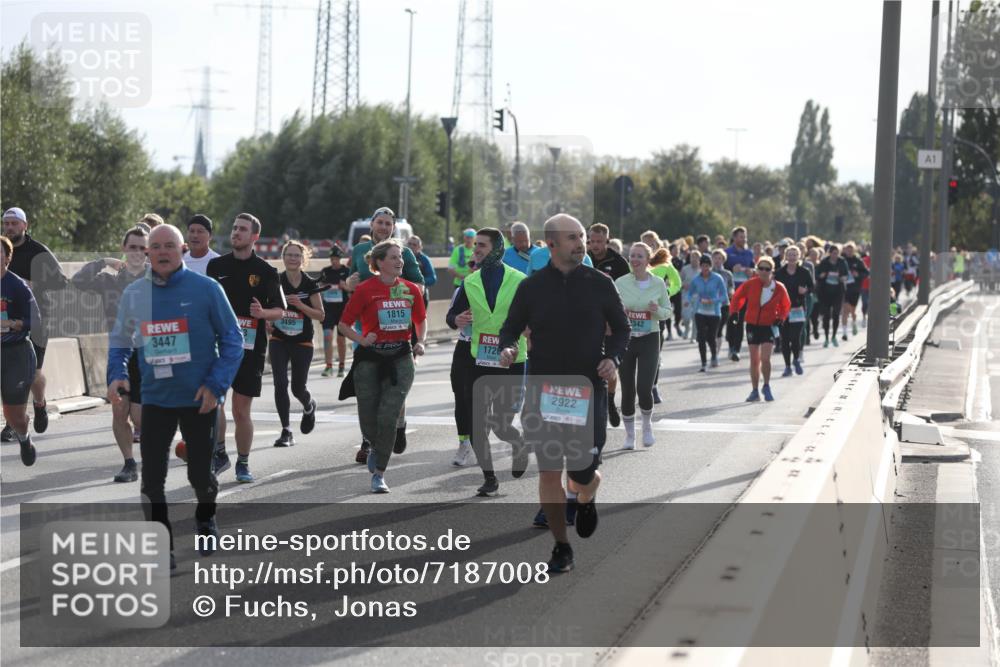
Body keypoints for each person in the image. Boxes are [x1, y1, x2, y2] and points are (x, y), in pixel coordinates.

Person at [498, 214, 629, 573]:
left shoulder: (600, 283)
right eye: (572, 237)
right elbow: (509, 329)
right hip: (544, 389)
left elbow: (621, 329)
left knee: (583, 473)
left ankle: (585, 498)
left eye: (582, 236)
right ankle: (561, 547)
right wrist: (508, 348)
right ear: (552, 244)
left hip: (588, 388)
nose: (581, 243)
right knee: (549, 471)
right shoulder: (532, 287)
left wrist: (612, 358)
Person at [107, 224, 243, 569]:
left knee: (200, 476)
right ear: (147, 253)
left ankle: (205, 519)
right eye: (157, 247)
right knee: (152, 479)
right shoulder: (135, 294)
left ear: (182, 250)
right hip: (154, 399)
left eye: (170, 245)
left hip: (200, 399)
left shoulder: (207, 289)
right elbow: (120, 342)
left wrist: (215, 386)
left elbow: (232, 340)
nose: (163, 252)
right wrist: (117, 375)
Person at [338, 240, 427, 493]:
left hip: (400, 357)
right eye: (393, 257)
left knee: (389, 414)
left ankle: (379, 473)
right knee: (368, 417)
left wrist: (420, 341)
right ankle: (374, 446)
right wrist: (362, 339)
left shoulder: (411, 289)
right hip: (370, 359)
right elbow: (343, 325)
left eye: (400, 257)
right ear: (379, 262)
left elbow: (421, 320)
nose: (399, 261)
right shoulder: (365, 290)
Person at [446, 228, 529, 495]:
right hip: (480, 360)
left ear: (496, 247)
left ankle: (517, 444)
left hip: (513, 359)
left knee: (501, 424)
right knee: (478, 422)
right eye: (475, 246)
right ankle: (489, 478)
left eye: (482, 245)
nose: (476, 250)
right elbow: (451, 316)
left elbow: (535, 316)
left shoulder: (520, 280)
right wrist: (456, 320)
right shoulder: (470, 282)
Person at [207, 213, 285, 483]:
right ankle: (219, 454)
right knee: (214, 403)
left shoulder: (266, 271)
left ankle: (243, 462)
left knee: (241, 410)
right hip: (217, 347)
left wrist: (263, 313)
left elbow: (280, 310)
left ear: (254, 237)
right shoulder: (216, 266)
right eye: (234, 228)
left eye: (242, 229)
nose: (236, 233)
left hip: (249, 347)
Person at [346, 207, 425, 462]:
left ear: (394, 227)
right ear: (372, 224)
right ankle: (368, 442)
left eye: (388, 224)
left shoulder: (404, 254)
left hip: (397, 324)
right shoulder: (359, 251)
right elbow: (350, 282)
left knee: (393, 385)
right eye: (380, 222)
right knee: (368, 387)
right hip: (365, 328)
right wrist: (350, 284)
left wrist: (401, 298)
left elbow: (419, 285)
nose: (383, 227)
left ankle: (398, 424)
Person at [71, 225, 149, 482]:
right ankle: (129, 463)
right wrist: (102, 261)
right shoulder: (109, 281)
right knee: (119, 411)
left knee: (139, 417)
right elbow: (77, 282)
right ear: (124, 249)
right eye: (132, 247)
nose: (137, 252)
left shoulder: (156, 279)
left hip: (149, 354)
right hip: (119, 352)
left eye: (141, 248)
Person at [2, 206, 68, 439]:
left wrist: (31, 284)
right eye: (6, 223)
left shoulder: (38, 251)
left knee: (31, 374)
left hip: (37, 319)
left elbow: (61, 283)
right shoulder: (2, 250)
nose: (9, 227)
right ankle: (12, 423)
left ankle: (39, 403)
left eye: (14, 223)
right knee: (9, 374)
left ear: (25, 225)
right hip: (6, 324)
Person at [614, 242, 671, 449]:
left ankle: (647, 426)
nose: (635, 260)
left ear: (647, 261)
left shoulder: (658, 283)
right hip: (627, 339)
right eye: (632, 256)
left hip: (649, 337)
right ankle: (629, 436)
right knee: (627, 389)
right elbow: (612, 309)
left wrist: (656, 310)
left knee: (644, 388)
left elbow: (667, 312)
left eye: (639, 256)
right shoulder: (620, 282)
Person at [269, 240, 323, 448]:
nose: (292, 258)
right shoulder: (276, 281)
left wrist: (300, 304)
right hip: (279, 339)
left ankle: (309, 405)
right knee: (280, 383)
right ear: (283, 258)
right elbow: (267, 308)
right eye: (289, 255)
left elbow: (320, 314)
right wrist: (268, 321)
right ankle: (286, 430)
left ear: (303, 259)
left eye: (296, 255)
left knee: (297, 388)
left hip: (302, 341)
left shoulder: (310, 284)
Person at [1, 235, 41, 466]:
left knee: (14, 416)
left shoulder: (16, 284)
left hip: (15, 353)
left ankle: (24, 438)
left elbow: (35, 319)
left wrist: (12, 324)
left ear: (7, 258)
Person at [587, 223, 630, 427]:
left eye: (598, 241)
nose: (595, 245)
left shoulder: (619, 262)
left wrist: (614, 321)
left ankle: (610, 400)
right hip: (587, 319)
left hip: (610, 319)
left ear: (607, 240)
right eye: (591, 241)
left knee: (609, 366)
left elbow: (626, 292)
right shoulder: (584, 258)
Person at [730, 257, 790, 402]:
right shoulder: (751, 284)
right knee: (754, 360)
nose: (763, 271)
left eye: (767, 269)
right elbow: (737, 297)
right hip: (752, 325)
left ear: (772, 271)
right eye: (761, 268)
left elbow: (786, 305)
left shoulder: (779, 287)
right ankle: (755, 391)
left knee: (765, 359)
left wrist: (781, 318)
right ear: (757, 269)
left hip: (768, 325)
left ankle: (767, 386)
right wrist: (735, 312)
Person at [774, 246, 814, 376]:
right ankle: (787, 366)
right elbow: (773, 289)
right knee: (784, 339)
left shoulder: (804, 272)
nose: (792, 257)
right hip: (783, 309)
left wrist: (806, 291)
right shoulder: (779, 273)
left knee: (795, 337)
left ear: (799, 257)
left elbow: (813, 287)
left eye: (794, 255)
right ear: (786, 257)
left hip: (798, 308)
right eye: (789, 255)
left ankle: (796, 359)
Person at [687, 254, 728, 372]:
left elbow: (724, 296)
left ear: (711, 266)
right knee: (701, 336)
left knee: (711, 337)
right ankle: (703, 363)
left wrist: (712, 300)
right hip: (699, 311)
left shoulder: (717, 278)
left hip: (714, 312)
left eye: (707, 266)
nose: (705, 268)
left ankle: (714, 356)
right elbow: (690, 293)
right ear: (700, 266)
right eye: (703, 266)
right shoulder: (696, 279)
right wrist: (689, 301)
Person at [319, 246, 351, 378]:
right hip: (328, 309)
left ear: (340, 259)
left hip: (342, 309)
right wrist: (322, 288)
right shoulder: (325, 272)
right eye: (332, 259)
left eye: (336, 259)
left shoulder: (346, 271)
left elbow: (353, 290)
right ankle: (328, 366)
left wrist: (346, 287)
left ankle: (341, 366)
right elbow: (318, 289)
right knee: (327, 336)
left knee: (340, 339)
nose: (334, 261)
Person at [724, 226, 754, 362]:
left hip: (745, 292)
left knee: (741, 321)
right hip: (731, 292)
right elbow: (720, 269)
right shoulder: (727, 252)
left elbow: (755, 269)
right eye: (741, 236)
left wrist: (751, 271)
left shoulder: (749, 253)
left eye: (745, 236)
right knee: (731, 320)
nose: (744, 239)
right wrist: (731, 268)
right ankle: (731, 346)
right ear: (734, 237)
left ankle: (736, 349)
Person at [815, 244, 849, 348]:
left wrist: (842, 278)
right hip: (825, 292)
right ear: (830, 253)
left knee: (835, 314)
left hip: (838, 292)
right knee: (826, 316)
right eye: (833, 253)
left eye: (837, 253)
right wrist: (821, 276)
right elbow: (817, 274)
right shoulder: (824, 262)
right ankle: (826, 338)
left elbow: (846, 275)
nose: (835, 255)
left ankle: (833, 336)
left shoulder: (842, 262)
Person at [840, 242, 869, 340]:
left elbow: (866, 272)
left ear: (854, 250)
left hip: (855, 289)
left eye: (851, 250)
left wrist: (858, 275)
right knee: (845, 310)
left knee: (852, 310)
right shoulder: (841, 261)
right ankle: (844, 333)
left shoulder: (858, 261)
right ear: (845, 250)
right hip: (844, 289)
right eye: (847, 250)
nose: (849, 251)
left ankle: (854, 323)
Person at [711, 249, 735, 354]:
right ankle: (713, 349)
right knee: (712, 330)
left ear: (723, 260)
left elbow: (731, 287)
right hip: (710, 304)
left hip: (724, 304)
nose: (717, 260)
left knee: (719, 328)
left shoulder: (727, 274)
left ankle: (716, 352)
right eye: (715, 258)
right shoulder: (708, 273)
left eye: (719, 258)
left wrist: (730, 292)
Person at [406, 235, 437, 306]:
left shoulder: (424, 259)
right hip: (403, 294)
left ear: (420, 247)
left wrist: (416, 283)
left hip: (420, 295)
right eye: (409, 244)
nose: (411, 246)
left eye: (414, 244)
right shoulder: (400, 257)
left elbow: (432, 279)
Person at [679, 250, 702, 340]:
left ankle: (694, 335)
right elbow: (679, 281)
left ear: (699, 259)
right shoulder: (685, 269)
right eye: (692, 257)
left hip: (698, 296)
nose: (694, 259)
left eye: (696, 257)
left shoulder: (702, 270)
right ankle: (687, 329)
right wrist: (683, 284)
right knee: (686, 315)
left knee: (695, 316)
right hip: (686, 295)